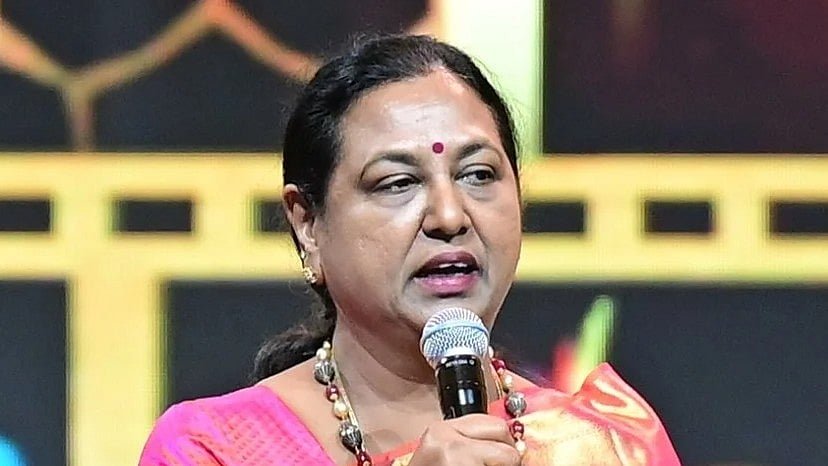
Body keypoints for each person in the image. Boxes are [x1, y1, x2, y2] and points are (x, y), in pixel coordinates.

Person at [139, 34, 680, 466]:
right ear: (307, 225)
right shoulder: (218, 449)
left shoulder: (602, 448)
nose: (449, 217)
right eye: (398, 183)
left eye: (478, 174)